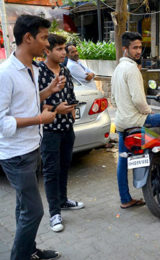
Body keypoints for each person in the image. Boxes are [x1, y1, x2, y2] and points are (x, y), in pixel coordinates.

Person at [0, 15, 64, 260]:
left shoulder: (32, 69)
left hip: (30, 149)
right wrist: (39, 120)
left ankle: (29, 249)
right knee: (34, 212)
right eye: (44, 38)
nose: (47, 45)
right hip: (15, 155)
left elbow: (27, 102)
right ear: (28, 38)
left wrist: (48, 91)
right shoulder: (5, 73)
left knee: (23, 207)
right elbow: (2, 123)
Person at [111, 32, 160, 209]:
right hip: (137, 120)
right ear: (125, 49)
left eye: (140, 47)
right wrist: (149, 111)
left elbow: (113, 99)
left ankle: (125, 199)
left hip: (121, 123)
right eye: (135, 47)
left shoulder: (117, 69)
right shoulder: (132, 69)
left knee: (123, 161)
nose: (138, 51)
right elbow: (140, 101)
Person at [38, 34, 84, 233]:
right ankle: (54, 212)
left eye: (64, 48)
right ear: (46, 51)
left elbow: (71, 93)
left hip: (67, 129)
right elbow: (35, 102)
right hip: (49, 131)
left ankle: (63, 200)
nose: (63, 52)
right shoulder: (38, 72)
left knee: (65, 167)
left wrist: (72, 109)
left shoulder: (65, 69)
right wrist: (57, 109)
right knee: (51, 172)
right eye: (58, 49)